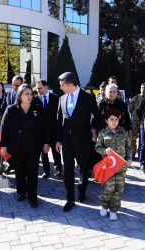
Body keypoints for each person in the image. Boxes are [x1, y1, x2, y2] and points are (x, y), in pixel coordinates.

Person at [56, 72, 101, 212]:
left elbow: (98, 116)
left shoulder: (87, 97)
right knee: (68, 170)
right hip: (66, 142)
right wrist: (58, 140)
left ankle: (82, 192)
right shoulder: (62, 98)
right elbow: (59, 120)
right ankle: (70, 199)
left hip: (82, 141)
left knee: (82, 168)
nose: (60, 88)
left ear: (70, 84)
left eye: (62, 85)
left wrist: (93, 130)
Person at [0, 84, 50, 208]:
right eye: (26, 94)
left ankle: (32, 196)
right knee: (20, 171)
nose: (29, 96)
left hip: (33, 146)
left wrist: (46, 142)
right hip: (17, 146)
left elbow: (45, 128)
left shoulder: (38, 109)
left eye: (30, 94)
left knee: (32, 172)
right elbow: (4, 128)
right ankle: (21, 192)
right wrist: (3, 145)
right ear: (19, 95)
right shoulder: (11, 109)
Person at [95, 108, 132, 221]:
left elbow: (128, 147)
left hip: (121, 167)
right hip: (109, 168)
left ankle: (114, 209)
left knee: (119, 189)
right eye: (112, 119)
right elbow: (97, 147)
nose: (114, 122)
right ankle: (104, 206)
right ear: (106, 120)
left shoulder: (123, 132)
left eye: (116, 119)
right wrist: (105, 151)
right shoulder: (102, 133)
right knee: (109, 189)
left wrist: (130, 158)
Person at [36, 79, 63, 179]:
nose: (38, 90)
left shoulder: (56, 98)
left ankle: (58, 170)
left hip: (54, 130)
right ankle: (46, 171)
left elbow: (60, 115)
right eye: (37, 88)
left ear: (46, 87)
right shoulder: (35, 99)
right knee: (44, 152)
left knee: (56, 151)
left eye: (40, 88)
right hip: (42, 131)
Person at [129, 83, 145, 159]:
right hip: (134, 122)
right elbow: (130, 109)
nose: (143, 89)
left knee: (142, 140)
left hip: (144, 122)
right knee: (133, 139)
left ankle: (141, 156)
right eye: (142, 87)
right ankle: (132, 155)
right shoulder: (135, 98)